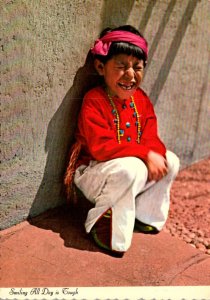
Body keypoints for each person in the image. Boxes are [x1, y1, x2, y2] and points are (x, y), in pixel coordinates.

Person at [64, 25, 180, 256]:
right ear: (100, 67)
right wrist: (145, 155)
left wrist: (154, 154)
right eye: (121, 66)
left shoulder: (142, 100)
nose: (130, 75)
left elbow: (150, 135)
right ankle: (103, 226)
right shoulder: (94, 101)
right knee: (133, 168)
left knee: (171, 160)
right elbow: (101, 147)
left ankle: (145, 215)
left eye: (137, 67)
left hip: (128, 169)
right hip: (93, 170)